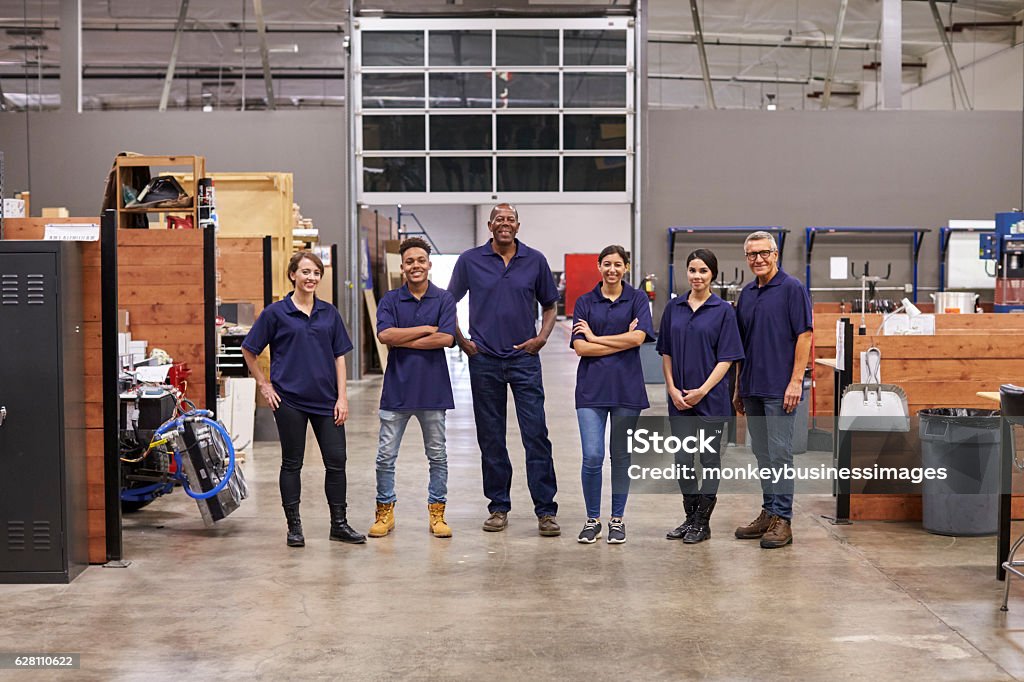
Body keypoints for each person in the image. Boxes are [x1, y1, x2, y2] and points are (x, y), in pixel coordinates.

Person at [448, 203, 562, 536]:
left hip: (524, 359)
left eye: (510, 219)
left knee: (536, 434)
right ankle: (498, 507)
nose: (505, 224)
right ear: (490, 224)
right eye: (499, 219)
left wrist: (541, 337)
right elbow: (447, 302)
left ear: (518, 225)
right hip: (483, 360)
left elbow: (551, 305)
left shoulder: (535, 260)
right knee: (492, 437)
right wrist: (462, 340)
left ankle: (545, 511)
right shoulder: (470, 261)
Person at [241, 250, 365, 547]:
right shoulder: (275, 313)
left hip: (326, 401)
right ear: (293, 274)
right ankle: (294, 527)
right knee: (292, 463)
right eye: (306, 272)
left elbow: (339, 358)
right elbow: (250, 350)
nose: (311, 278)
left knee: (336, 462)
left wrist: (343, 398)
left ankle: (339, 524)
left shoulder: (329, 313)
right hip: (290, 401)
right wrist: (264, 385)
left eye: (316, 273)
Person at [369, 237, 457, 540]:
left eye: (420, 260)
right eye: (410, 262)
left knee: (438, 456)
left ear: (429, 264)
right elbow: (385, 336)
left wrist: (404, 338)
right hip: (397, 391)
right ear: (403, 267)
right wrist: (425, 329)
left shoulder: (444, 299)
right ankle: (385, 511)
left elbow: (445, 339)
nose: (415, 266)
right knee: (385, 456)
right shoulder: (390, 300)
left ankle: (437, 512)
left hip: (433, 392)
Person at [732, 231, 813, 549]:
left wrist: (795, 381)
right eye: (752, 254)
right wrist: (739, 386)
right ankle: (768, 512)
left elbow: (804, 336)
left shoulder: (792, 289)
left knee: (780, 454)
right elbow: (741, 344)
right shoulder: (748, 293)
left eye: (763, 253)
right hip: (752, 386)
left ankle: (783, 519)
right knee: (762, 453)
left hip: (780, 389)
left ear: (776, 254)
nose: (758, 259)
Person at [658, 249, 744, 544]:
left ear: (712, 275)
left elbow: (728, 358)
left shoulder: (723, 311)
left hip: (710, 399)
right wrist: (671, 389)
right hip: (679, 399)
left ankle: (703, 522)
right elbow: (665, 352)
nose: (697, 276)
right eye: (692, 270)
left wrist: (703, 391)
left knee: (708, 458)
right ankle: (690, 517)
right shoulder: (674, 308)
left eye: (703, 271)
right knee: (682, 459)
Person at [570, 245, 655, 544]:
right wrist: (620, 340)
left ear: (626, 267)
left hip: (626, 388)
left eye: (618, 264)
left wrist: (596, 337)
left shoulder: (637, 298)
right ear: (598, 266)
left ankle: (617, 519)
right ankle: (592, 519)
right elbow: (581, 348)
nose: (612, 270)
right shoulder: (584, 302)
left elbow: (639, 338)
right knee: (593, 455)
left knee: (620, 456)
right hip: (591, 389)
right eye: (607, 264)